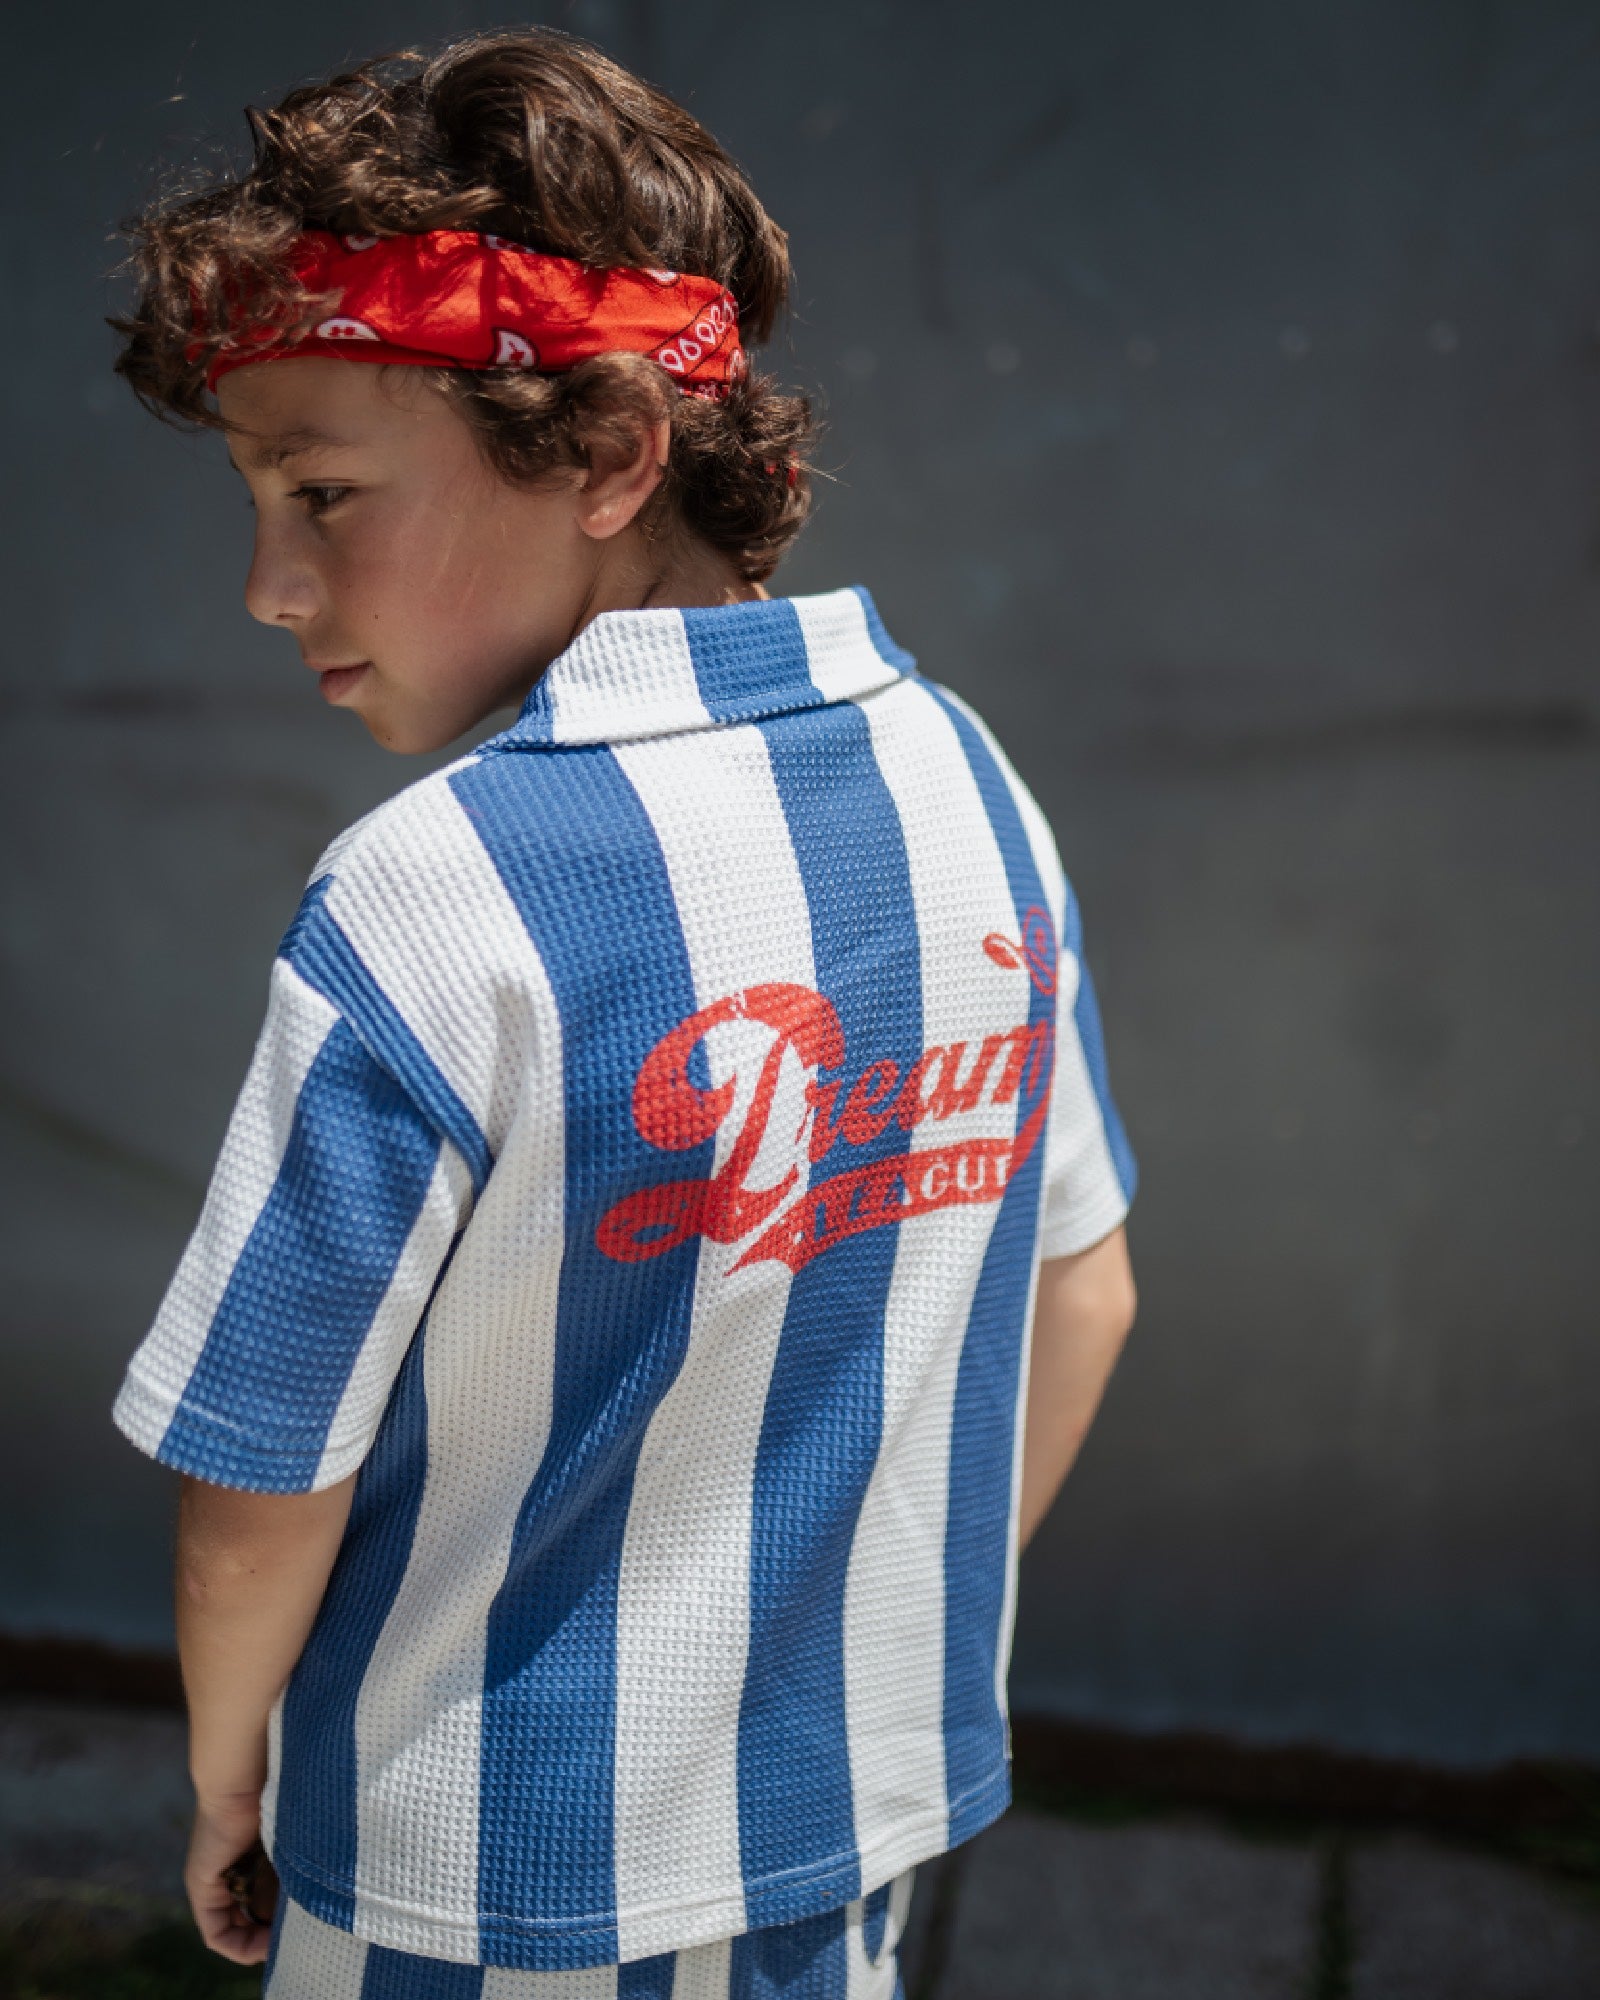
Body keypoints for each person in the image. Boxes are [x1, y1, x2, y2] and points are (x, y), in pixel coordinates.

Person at [106, 26, 1140, 1999]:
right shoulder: (964, 778)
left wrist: (231, 1773)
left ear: (601, 451)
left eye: (320, 491)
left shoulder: (430, 892)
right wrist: (861, 1639)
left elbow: (262, 1478)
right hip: (851, 1835)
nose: (264, 581)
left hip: (460, 1886)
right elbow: (1082, 1292)